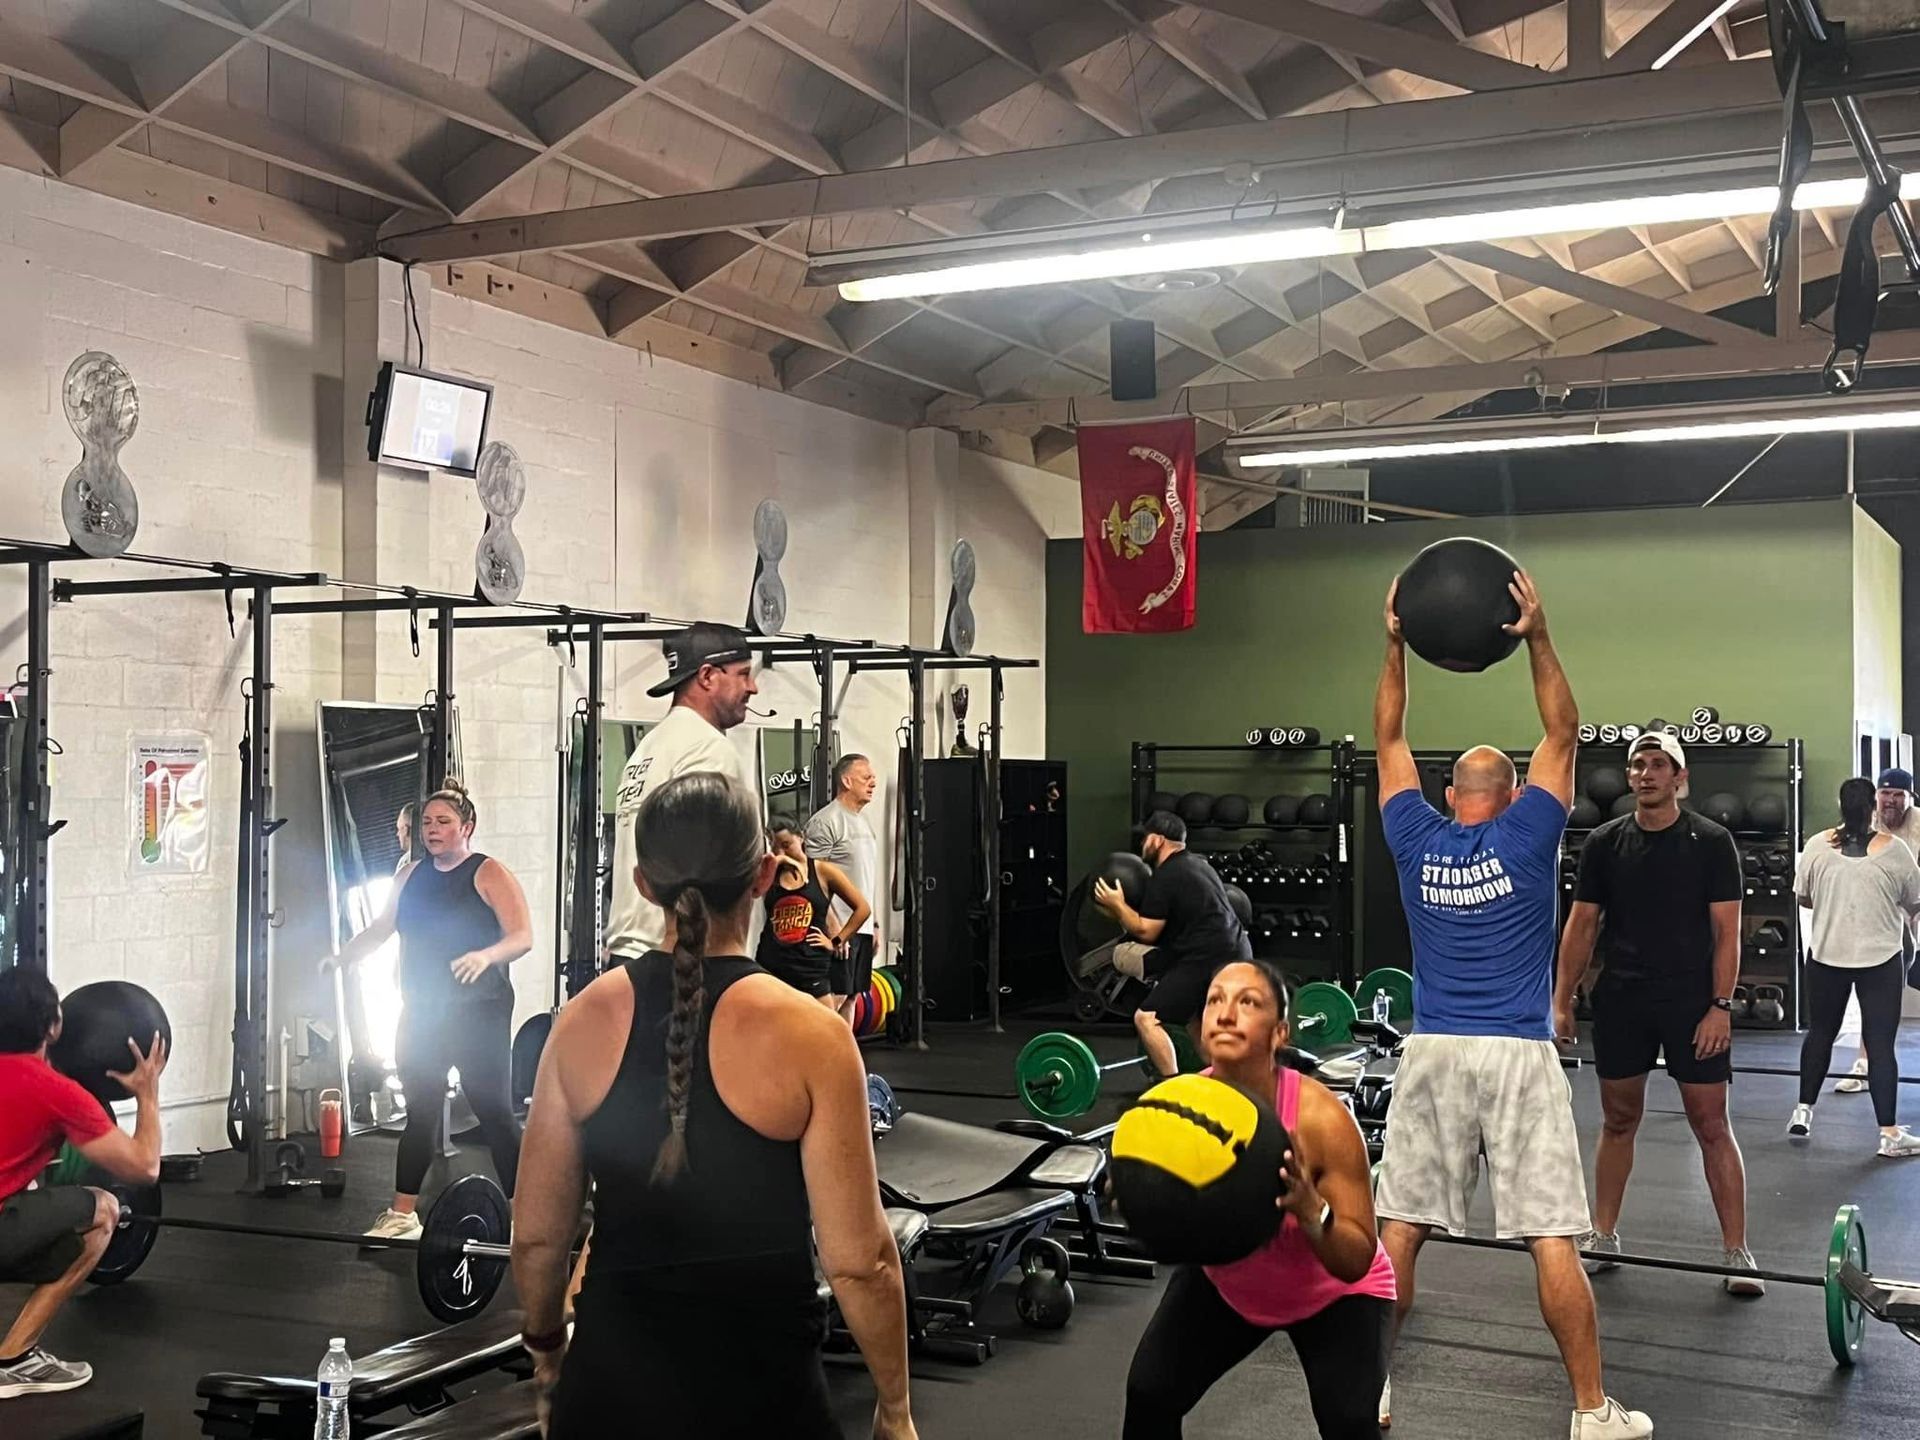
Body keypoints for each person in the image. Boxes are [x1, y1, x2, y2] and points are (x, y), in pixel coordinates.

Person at [512, 772, 915, 1439]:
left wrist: (549, 1354)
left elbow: (537, 1238)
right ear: (762, 876)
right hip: (764, 1397)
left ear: (643, 885)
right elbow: (861, 1261)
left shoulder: (579, 1023)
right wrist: (895, 1411)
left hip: (609, 1394)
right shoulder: (814, 1035)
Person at [1372, 570, 1648, 1439]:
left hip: (1435, 1050)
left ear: (1452, 797)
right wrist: (1535, 634)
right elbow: (1564, 728)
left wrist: (1395, 641)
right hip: (1518, 1053)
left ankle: (1369, 1387)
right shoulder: (1533, 832)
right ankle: (1590, 1410)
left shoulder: (1413, 835)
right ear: (1516, 790)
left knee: (1400, 1232)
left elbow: (1387, 737)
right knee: (1551, 1237)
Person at [1123, 959, 1395, 1440]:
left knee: (1349, 1420)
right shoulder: (1180, 1107)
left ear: (1279, 1033)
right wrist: (1138, 1190)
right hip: (1232, 1282)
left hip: (1331, 1292)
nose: (1226, 1014)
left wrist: (1313, 1214)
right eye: (1215, 1000)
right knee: (1151, 1392)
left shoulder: (1321, 1121)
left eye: (1247, 1002)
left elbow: (1356, 1258)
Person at [1553, 732, 1759, 1292]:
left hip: (1693, 1001)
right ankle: (1604, 1233)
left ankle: (1737, 1252)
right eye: (1637, 765)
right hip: (1623, 997)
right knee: (1618, 1120)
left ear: (1679, 778)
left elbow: (1727, 933)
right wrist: (1562, 998)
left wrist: (1721, 1006)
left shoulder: (1712, 841)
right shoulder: (1602, 842)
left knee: (1711, 1124)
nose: (1646, 773)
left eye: (1658, 765)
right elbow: (1581, 926)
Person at [331, 780, 533, 1240]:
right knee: (421, 1112)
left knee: (494, 1111)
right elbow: (382, 928)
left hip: (478, 1011)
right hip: (422, 1009)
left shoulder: (488, 873)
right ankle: (402, 1216)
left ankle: (523, 1215)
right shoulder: (409, 875)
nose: (432, 830)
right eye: (426, 822)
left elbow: (522, 936)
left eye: (443, 822)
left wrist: (486, 956)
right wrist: (342, 956)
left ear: (468, 827)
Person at [0, 968, 167, 1399]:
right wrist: (148, 1093)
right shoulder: (55, 1092)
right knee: (104, 1207)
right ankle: (16, 1359)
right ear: (55, 1025)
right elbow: (144, 1169)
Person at [607, 622, 757, 966]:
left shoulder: (650, 747)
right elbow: (708, 862)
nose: (753, 687)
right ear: (707, 676)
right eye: (744, 674)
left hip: (635, 955)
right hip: (685, 956)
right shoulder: (708, 749)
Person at [1790, 777, 1920, 1156]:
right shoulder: (1895, 851)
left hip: (1827, 956)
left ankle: (1803, 1111)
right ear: (1873, 807)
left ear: (1839, 805)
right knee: (1880, 1045)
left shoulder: (1816, 845)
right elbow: (1914, 902)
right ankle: (1890, 1135)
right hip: (1879, 960)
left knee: (1820, 1034)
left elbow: (1804, 897)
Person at [1091, 811, 1253, 1079]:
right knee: (1195, 1023)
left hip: (1206, 958)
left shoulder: (1166, 875)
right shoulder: (1200, 865)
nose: (1142, 845)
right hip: (1238, 952)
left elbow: (1146, 931)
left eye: (1145, 839)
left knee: (1146, 1018)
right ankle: (1228, 1085)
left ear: (1157, 839)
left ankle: (1172, 1087)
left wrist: (1117, 905)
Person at [1831, 767, 1920, 1093]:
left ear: (1910, 798)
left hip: (1912, 918)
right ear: (1875, 798)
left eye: (1899, 795)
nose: (1891, 801)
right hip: (1879, 926)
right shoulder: (1863, 826)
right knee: (1876, 1000)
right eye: (1886, 794)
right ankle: (1865, 1063)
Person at [759, 817, 873, 1008]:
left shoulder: (823, 872)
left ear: (801, 838)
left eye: (787, 845)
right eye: (775, 847)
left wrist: (836, 941)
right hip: (772, 966)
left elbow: (863, 909)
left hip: (810, 968)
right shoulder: (771, 875)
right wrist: (777, 862)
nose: (780, 852)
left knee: (825, 1031)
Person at [804, 754, 882, 1024]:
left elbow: (867, 877)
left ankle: (844, 1064)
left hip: (860, 928)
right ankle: (814, 1064)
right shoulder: (825, 822)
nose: (873, 782)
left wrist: (875, 925)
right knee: (831, 1000)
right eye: (866, 777)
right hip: (838, 928)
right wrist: (834, 929)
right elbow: (812, 882)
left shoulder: (863, 821)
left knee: (851, 996)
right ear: (846, 781)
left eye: (873, 777)